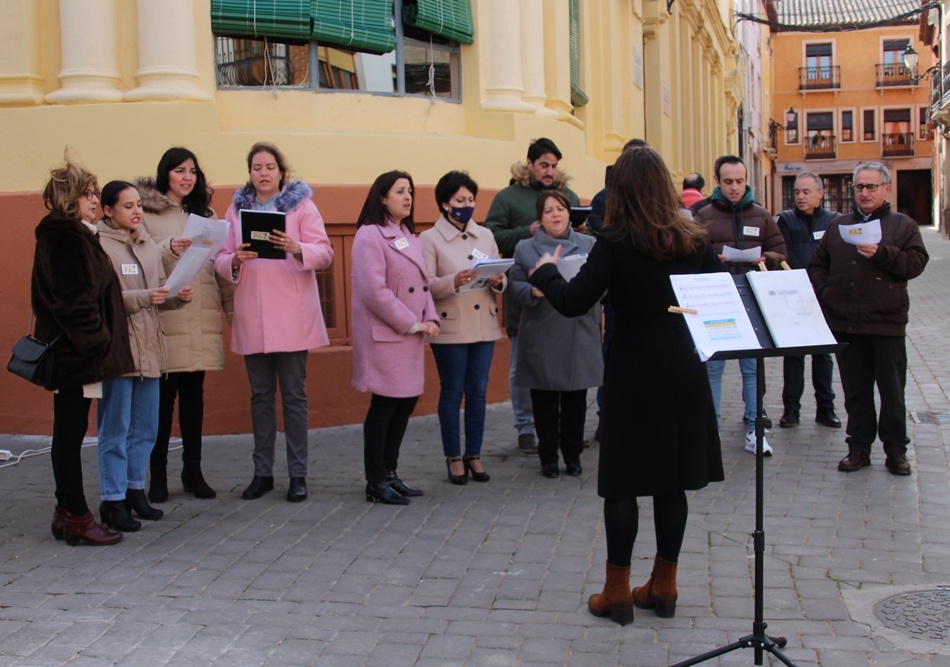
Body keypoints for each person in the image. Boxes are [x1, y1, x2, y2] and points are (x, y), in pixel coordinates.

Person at [529, 147, 724, 626]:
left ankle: (617, 591)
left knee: (623, 481)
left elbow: (575, 301)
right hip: (682, 361)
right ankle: (665, 584)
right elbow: (719, 293)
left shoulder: (613, 240)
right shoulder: (694, 237)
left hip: (635, 364)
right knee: (671, 479)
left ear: (622, 190)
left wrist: (546, 272)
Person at [213, 143, 334, 502]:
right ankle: (262, 473)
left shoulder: (301, 206)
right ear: (249, 172)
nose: (263, 173)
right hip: (252, 314)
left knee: (294, 397)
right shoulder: (235, 210)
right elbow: (219, 257)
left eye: (269, 167)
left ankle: (298, 475)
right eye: (256, 167)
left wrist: (296, 247)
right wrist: (234, 259)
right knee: (260, 398)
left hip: (293, 317)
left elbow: (325, 252)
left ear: (281, 171)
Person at [32, 159, 134, 546]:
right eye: (87, 193)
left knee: (70, 432)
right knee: (69, 434)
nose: (95, 199)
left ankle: (65, 512)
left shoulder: (73, 233)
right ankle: (76, 516)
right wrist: (98, 343)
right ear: (68, 198)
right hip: (75, 355)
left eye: (94, 192)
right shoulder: (66, 236)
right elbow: (73, 302)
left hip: (76, 354)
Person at [808, 162, 928, 476]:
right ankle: (858, 448)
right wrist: (828, 291)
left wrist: (882, 254)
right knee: (856, 391)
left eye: (871, 187)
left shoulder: (903, 225)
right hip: (846, 323)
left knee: (892, 392)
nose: (864, 192)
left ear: (885, 188)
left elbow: (916, 263)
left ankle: (895, 451)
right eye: (859, 187)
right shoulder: (838, 225)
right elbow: (817, 265)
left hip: (886, 324)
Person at [137, 147, 234, 502]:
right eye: (180, 170)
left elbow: (218, 264)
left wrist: (231, 309)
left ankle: (193, 469)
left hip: (202, 312)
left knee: (195, 398)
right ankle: (157, 473)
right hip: (168, 315)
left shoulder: (206, 214)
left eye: (192, 171)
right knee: (162, 401)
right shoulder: (146, 213)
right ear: (166, 174)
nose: (187, 177)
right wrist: (169, 248)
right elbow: (140, 256)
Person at [96, 181, 193, 532]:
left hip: (151, 350)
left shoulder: (148, 245)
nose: (137, 212)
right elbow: (103, 302)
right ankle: (112, 498)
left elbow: (158, 292)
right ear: (108, 211)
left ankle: (136, 490)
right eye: (128, 206)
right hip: (120, 352)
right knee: (115, 429)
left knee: (146, 428)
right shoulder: (100, 246)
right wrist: (145, 296)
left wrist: (175, 296)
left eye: (138, 205)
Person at [484, 137, 580, 455]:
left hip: (566, 296)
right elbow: (492, 234)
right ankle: (526, 428)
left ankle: (564, 431)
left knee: (567, 361)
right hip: (526, 295)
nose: (550, 171)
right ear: (529, 165)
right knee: (521, 365)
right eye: (543, 165)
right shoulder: (508, 198)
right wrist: (526, 231)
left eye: (554, 165)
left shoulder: (568, 196)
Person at [352, 171, 440, 505]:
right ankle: (375, 481)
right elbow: (373, 291)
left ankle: (390, 472)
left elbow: (423, 283)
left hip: (410, 335)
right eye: (400, 191)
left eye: (410, 192)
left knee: (404, 405)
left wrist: (429, 317)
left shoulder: (407, 234)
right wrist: (411, 323)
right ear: (382, 197)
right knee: (385, 406)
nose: (408, 197)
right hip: (387, 336)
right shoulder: (369, 235)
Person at [693, 155, 787, 455]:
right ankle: (711, 430)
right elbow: (688, 253)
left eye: (740, 181)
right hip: (716, 299)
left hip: (752, 299)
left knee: (752, 368)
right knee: (713, 368)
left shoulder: (761, 215)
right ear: (718, 181)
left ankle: (755, 429)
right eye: (728, 181)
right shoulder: (701, 215)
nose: (734, 187)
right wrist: (710, 259)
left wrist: (766, 259)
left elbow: (781, 252)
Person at [509, 190, 602, 479]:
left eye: (560, 209)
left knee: (575, 400)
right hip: (541, 331)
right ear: (540, 218)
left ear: (569, 213)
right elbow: (514, 283)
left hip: (580, 328)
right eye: (548, 210)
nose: (556, 215)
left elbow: (604, 283)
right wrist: (532, 290)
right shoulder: (525, 248)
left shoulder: (588, 244)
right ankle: (548, 457)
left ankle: (573, 456)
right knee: (544, 401)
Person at [420, 171, 505, 486]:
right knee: (453, 391)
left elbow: (499, 271)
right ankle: (453, 456)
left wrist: (499, 280)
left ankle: (474, 454)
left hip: (485, 324)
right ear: (445, 204)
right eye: (459, 200)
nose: (466, 205)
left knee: (479, 392)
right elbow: (425, 284)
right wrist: (453, 281)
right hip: (452, 325)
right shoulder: (429, 238)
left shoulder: (485, 235)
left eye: (470, 199)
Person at [775, 171, 841, 429]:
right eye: (797, 192)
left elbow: (836, 256)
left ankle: (826, 409)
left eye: (806, 192)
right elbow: (785, 254)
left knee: (823, 356)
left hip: (824, 297)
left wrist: (821, 282)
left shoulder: (834, 220)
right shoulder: (786, 221)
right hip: (796, 298)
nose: (800, 197)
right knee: (794, 356)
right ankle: (791, 410)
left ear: (820, 194)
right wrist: (806, 280)